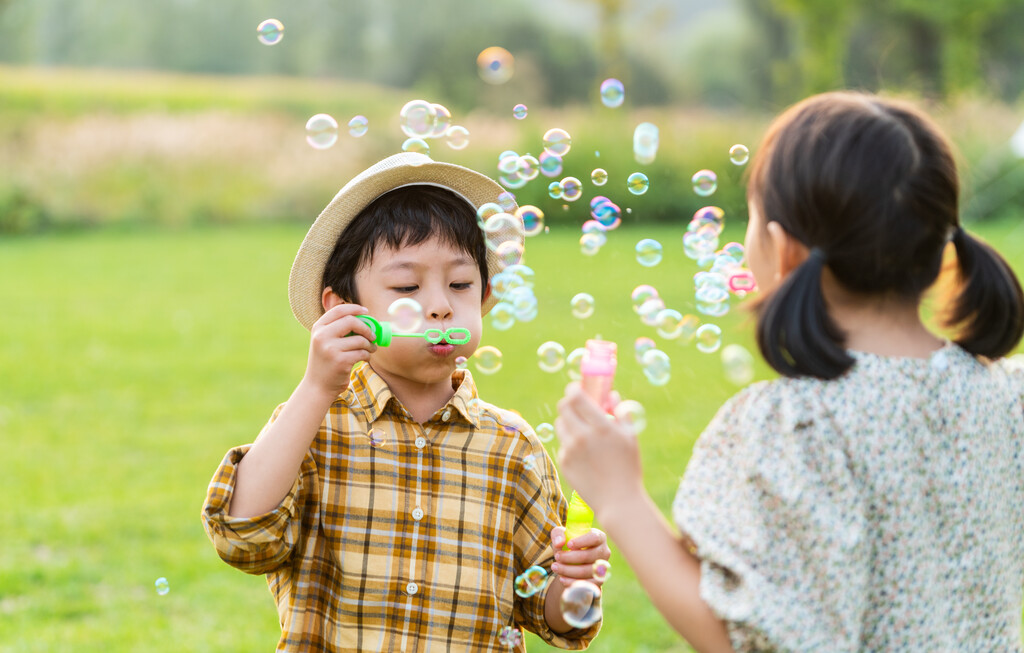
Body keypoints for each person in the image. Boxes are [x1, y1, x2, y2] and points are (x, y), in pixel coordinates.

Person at [554, 91, 1024, 652]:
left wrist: (621, 498)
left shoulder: (794, 426)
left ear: (784, 251)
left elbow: (756, 637)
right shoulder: (1006, 395)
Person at [202, 152, 610, 652]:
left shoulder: (513, 449)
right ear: (345, 310)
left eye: (461, 284)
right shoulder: (314, 428)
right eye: (406, 286)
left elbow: (555, 616)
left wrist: (572, 584)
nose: (440, 304)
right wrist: (315, 387)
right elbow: (242, 537)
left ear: (484, 297)